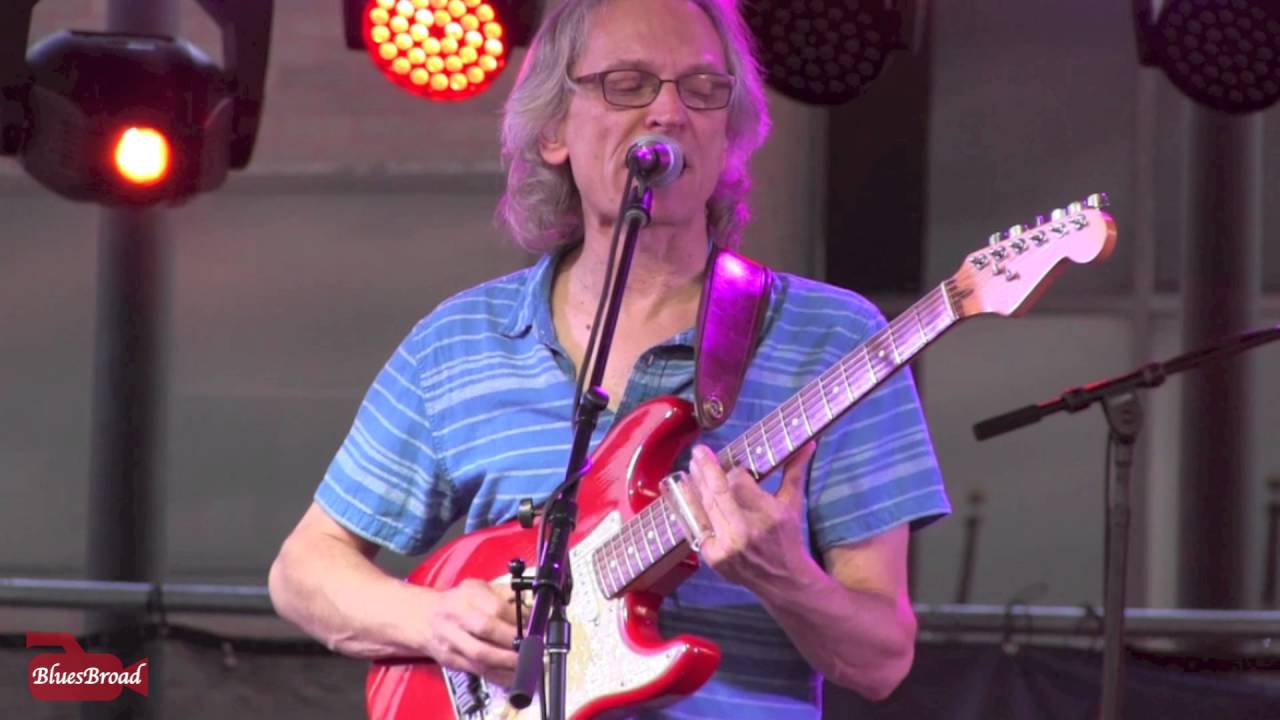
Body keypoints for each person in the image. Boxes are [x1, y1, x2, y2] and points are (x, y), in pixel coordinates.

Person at [268, 0, 951, 717]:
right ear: (554, 130)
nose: (669, 111)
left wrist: (786, 578)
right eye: (628, 84)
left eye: (702, 88)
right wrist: (437, 621)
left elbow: (882, 661)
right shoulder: (460, 341)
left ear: (727, 134)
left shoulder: (833, 339)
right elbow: (303, 571)